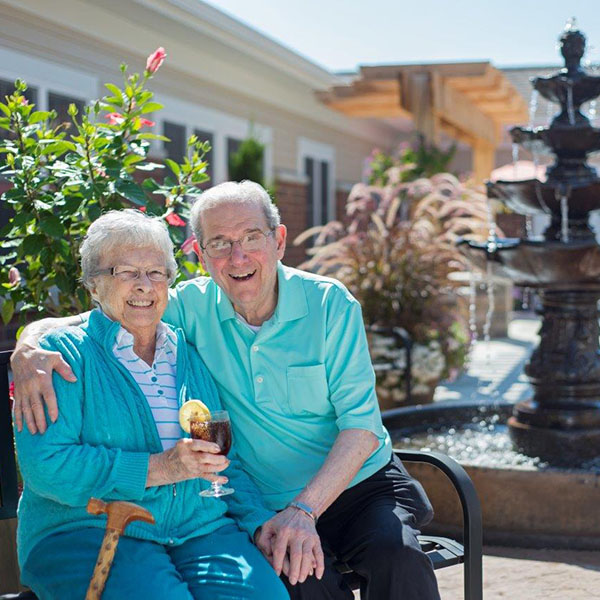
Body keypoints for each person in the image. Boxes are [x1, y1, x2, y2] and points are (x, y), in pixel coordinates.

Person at [12, 181, 441, 600]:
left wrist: (290, 514)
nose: (238, 255)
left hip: (351, 487)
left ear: (279, 241)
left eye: (252, 236)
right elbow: (102, 318)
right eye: (219, 242)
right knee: (296, 573)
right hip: (220, 510)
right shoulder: (175, 316)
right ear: (201, 255)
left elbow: (359, 429)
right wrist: (28, 343)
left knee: (396, 556)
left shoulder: (323, 305)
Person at [13, 210, 289, 600]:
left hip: (197, 528)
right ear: (94, 285)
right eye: (126, 272)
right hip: (89, 529)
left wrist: (260, 522)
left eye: (156, 273)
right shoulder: (59, 358)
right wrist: (161, 468)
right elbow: (47, 467)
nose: (144, 286)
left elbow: (223, 459)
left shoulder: (186, 353)